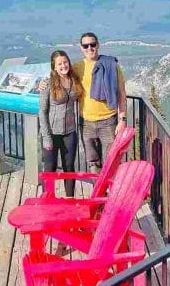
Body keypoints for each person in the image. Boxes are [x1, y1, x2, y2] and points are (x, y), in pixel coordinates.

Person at [74, 32, 127, 174]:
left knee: (112, 161)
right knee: (93, 163)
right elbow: (60, 80)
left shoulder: (112, 65)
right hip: (86, 122)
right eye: (86, 45)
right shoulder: (77, 68)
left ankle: (112, 193)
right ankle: (99, 193)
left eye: (93, 44)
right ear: (81, 47)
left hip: (109, 121)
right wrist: (43, 83)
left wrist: (122, 119)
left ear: (98, 45)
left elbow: (121, 93)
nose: (89, 48)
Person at [39, 50, 82, 197]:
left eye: (65, 62)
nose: (63, 65)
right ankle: (47, 199)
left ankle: (70, 198)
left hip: (70, 132)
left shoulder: (75, 80)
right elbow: (42, 112)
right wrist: (46, 137)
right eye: (59, 64)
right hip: (51, 133)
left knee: (69, 167)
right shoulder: (48, 85)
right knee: (50, 168)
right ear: (54, 67)